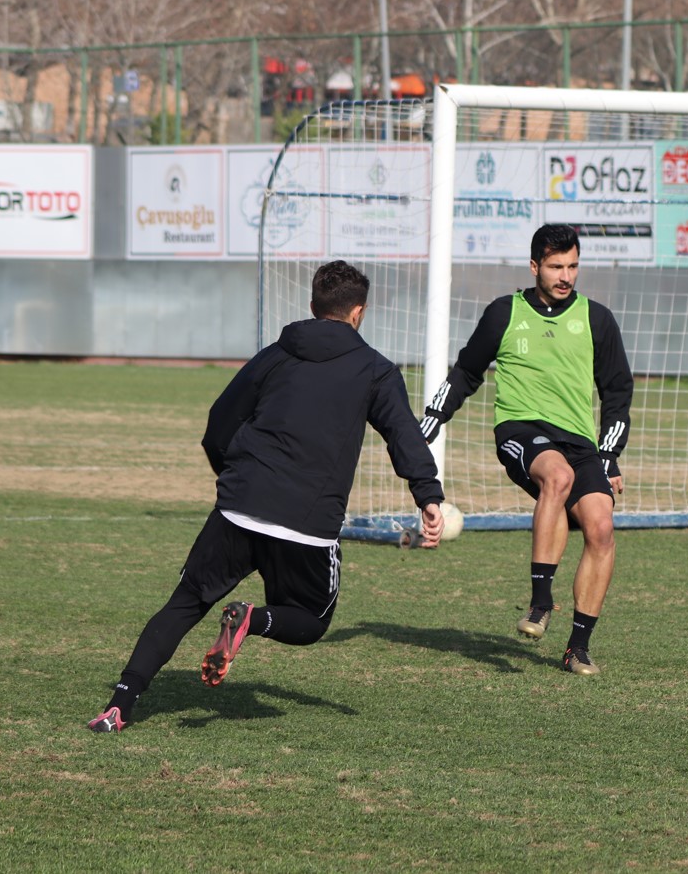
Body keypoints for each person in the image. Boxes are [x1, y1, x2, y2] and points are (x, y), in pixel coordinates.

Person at [87, 260, 445, 733]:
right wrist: (427, 495)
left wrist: (235, 479)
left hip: (240, 508)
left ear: (312, 305)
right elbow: (403, 433)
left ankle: (120, 703)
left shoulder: (276, 354)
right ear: (358, 313)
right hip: (306, 523)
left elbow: (219, 423)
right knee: (311, 620)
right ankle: (249, 620)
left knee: (186, 601)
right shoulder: (375, 371)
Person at [421, 223, 632, 675]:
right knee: (557, 477)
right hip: (520, 430)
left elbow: (617, 392)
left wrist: (609, 455)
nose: (566, 276)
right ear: (535, 266)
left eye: (573, 266)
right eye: (556, 266)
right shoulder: (504, 313)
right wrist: (433, 418)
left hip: (580, 442)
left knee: (601, 528)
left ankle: (577, 647)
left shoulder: (597, 319)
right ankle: (540, 602)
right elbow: (467, 372)